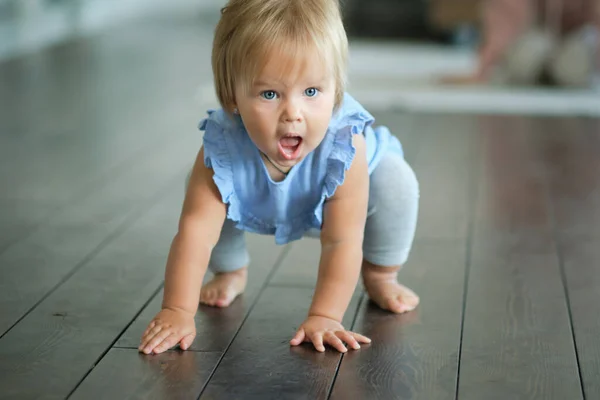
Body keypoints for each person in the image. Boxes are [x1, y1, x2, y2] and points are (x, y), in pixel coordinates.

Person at [138, 0, 420, 355]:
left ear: (336, 90)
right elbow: (194, 234)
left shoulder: (345, 145)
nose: (293, 113)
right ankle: (230, 270)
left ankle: (382, 274)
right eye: (270, 94)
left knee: (397, 182)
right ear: (232, 97)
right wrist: (177, 309)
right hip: (254, 196)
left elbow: (342, 241)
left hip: (332, 201)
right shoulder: (222, 146)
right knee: (207, 198)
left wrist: (325, 315)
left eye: (312, 92)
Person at [443, 0, 600, 87]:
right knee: (528, 54)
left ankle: (556, 69)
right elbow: (505, 16)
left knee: (574, 64)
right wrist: (484, 67)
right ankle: (542, 69)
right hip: (534, 38)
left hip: (575, 41)